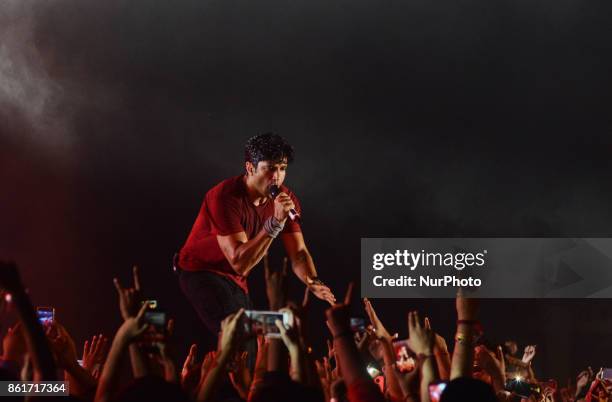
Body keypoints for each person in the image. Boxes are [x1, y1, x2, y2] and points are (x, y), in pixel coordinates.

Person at [176, 133, 336, 351]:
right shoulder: (224, 197)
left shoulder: (286, 199)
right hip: (201, 272)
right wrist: (275, 223)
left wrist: (313, 281)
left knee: (259, 342)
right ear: (250, 168)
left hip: (237, 280)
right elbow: (239, 261)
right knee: (240, 339)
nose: (277, 177)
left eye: (282, 168)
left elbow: (298, 252)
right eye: (269, 168)